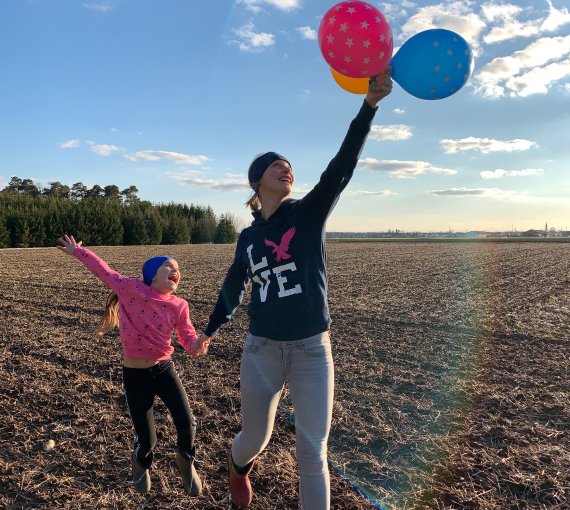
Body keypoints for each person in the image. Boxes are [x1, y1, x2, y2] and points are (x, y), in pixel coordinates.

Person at [191, 70, 393, 509]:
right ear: (256, 180)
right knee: (254, 439)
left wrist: (369, 107)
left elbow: (341, 168)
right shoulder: (247, 239)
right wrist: (210, 330)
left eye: (289, 165)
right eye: (275, 164)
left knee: (311, 453)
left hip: (310, 350)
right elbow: (233, 284)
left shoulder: (307, 214)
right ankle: (236, 463)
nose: (286, 168)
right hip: (260, 349)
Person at [57, 234, 202, 496]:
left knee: (187, 421)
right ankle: (141, 463)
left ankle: (186, 461)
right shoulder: (129, 288)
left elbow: (187, 335)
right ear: (152, 274)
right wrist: (78, 252)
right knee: (148, 438)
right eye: (169, 265)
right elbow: (103, 270)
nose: (176, 270)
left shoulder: (180, 305)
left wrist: (196, 345)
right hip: (135, 375)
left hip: (164, 369)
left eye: (178, 268)